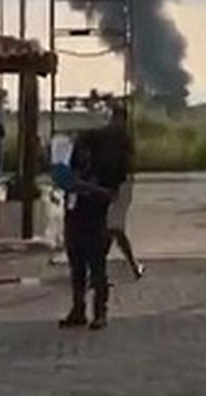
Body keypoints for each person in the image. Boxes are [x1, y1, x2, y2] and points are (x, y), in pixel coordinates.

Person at [58, 113, 125, 331]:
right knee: (77, 268)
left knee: (97, 268)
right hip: (75, 216)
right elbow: (66, 183)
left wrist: (86, 188)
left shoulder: (104, 170)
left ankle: (100, 312)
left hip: (95, 220)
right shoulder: (77, 167)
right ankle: (78, 309)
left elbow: (109, 195)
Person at [102, 106, 144, 281]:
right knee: (113, 229)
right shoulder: (120, 139)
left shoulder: (119, 139)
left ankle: (101, 267)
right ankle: (132, 266)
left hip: (119, 187)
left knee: (113, 228)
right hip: (116, 187)